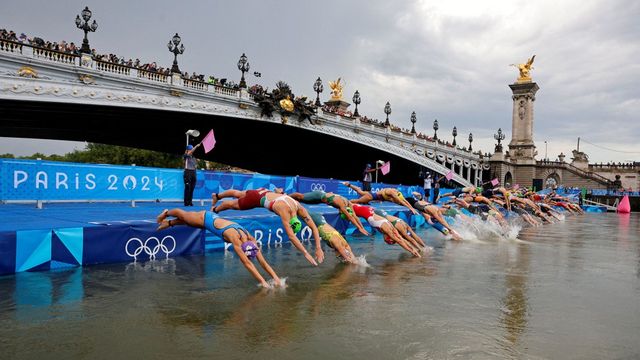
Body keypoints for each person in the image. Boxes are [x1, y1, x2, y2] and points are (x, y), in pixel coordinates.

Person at [156, 208, 281, 288]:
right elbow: (247, 264)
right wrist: (263, 282)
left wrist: (276, 279)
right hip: (205, 217)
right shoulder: (235, 239)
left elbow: (263, 262)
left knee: (189, 223)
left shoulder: (251, 239)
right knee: (184, 215)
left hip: (209, 222)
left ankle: (169, 223)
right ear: (243, 248)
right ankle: (166, 213)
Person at [212, 190, 325, 266]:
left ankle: (217, 196)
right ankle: (215, 210)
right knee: (232, 205)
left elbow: (314, 227)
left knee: (238, 193)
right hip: (256, 199)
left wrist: (318, 248)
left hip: (263, 191)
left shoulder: (298, 207)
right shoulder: (284, 211)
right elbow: (291, 236)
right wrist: (306, 253)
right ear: (291, 222)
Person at [351, 204, 421, 257]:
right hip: (370, 213)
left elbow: (400, 239)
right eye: (386, 241)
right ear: (388, 237)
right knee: (405, 237)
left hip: (370, 211)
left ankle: (419, 249)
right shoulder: (387, 230)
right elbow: (399, 241)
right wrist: (411, 251)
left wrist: (412, 249)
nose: (384, 240)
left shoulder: (389, 228)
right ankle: (418, 249)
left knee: (405, 237)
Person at [289, 190, 369, 235]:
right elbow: (350, 217)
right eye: (342, 213)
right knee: (300, 196)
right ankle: (286, 196)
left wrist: (362, 228)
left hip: (320, 200)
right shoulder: (341, 204)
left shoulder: (349, 204)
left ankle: (288, 199)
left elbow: (354, 216)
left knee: (300, 201)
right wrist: (359, 228)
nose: (340, 212)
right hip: (318, 195)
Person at [342, 182, 418, 215]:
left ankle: (348, 184)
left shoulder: (397, 193)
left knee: (360, 191)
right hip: (371, 197)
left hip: (372, 194)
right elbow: (402, 202)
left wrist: (412, 208)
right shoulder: (392, 193)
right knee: (356, 201)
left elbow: (404, 201)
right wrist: (411, 209)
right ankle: (343, 202)